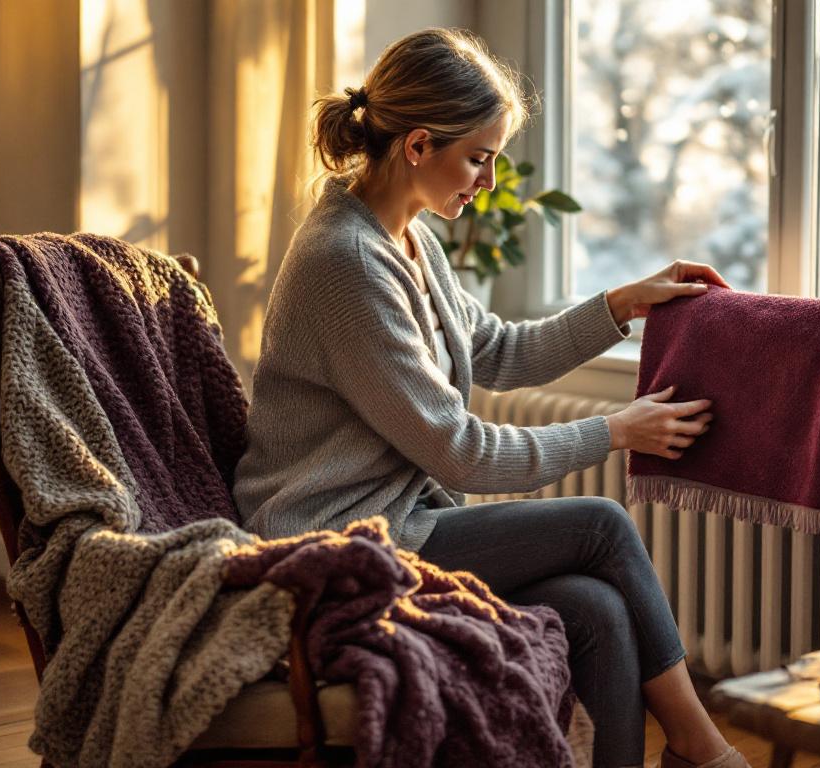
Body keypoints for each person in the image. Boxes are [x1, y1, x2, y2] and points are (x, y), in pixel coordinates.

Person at [233, 27, 749, 768]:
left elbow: (500, 351)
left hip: (398, 523)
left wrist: (622, 304)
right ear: (417, 145)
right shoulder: (346, 263)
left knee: (597, 609)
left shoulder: (410, 240)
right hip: (334, 542)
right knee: (603, 527)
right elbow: (460, 452)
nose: (489, 181)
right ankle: (704, 748)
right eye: (478, 158)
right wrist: (615, 431)